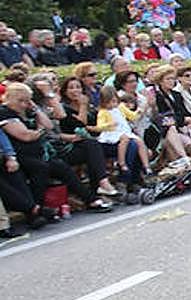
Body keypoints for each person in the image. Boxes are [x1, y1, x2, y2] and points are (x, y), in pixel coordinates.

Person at [1, 83, 113, 214]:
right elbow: (26, 136)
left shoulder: (28, 110)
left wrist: (36, 109)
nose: (23, 104)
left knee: (64, 166)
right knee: (40, 168)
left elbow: (48, 126)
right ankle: (36, 211)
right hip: (20, 155)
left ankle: (91, 198)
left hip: (41, 152)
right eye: (20, 101)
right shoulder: (4, 113)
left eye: (26, 101)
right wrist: (39, 130)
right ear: (8, 97)